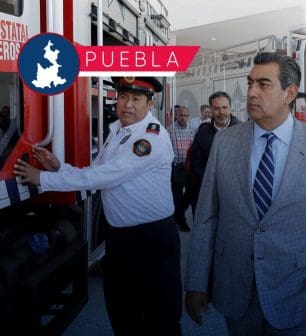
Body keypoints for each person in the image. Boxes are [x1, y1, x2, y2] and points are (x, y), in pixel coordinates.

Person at [184, 52, 306, 335]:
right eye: (250, 83)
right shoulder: (224, 143)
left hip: (299, 292)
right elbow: (206, 217)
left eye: (263, 84)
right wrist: (197, 281)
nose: (250, 93)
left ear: (290, 93)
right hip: (236, 290)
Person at [14, 76, 182, 336]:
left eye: (136, 99)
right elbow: (96, 172)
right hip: (121, 238)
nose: (127, 104)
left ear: (150, 104)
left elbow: (106, 176)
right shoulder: (118, 132)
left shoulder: (150, 139)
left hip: (151, 241)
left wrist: (44, 179)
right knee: (123, 313)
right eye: (123, 97)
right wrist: (60, 167)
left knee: (158, 319)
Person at [186, 91, 240, 221]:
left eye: (224, 107)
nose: (221, 112)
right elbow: (196, 164)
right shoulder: (202, 133)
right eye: (216, 108)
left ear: (230, 108)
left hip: (235, 194)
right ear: (211, 110)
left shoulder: (242, 131)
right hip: (207, 192)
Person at [169, 104, 196, 232]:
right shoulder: (170, 130)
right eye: (181, 115)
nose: (183, 118)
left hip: (189, 166)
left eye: (186, 116)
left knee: (191, 193)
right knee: (177, 196)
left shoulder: (192, 129)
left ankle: (177, 214)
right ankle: (181, 221)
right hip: (176, 167)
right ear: (177, 115)